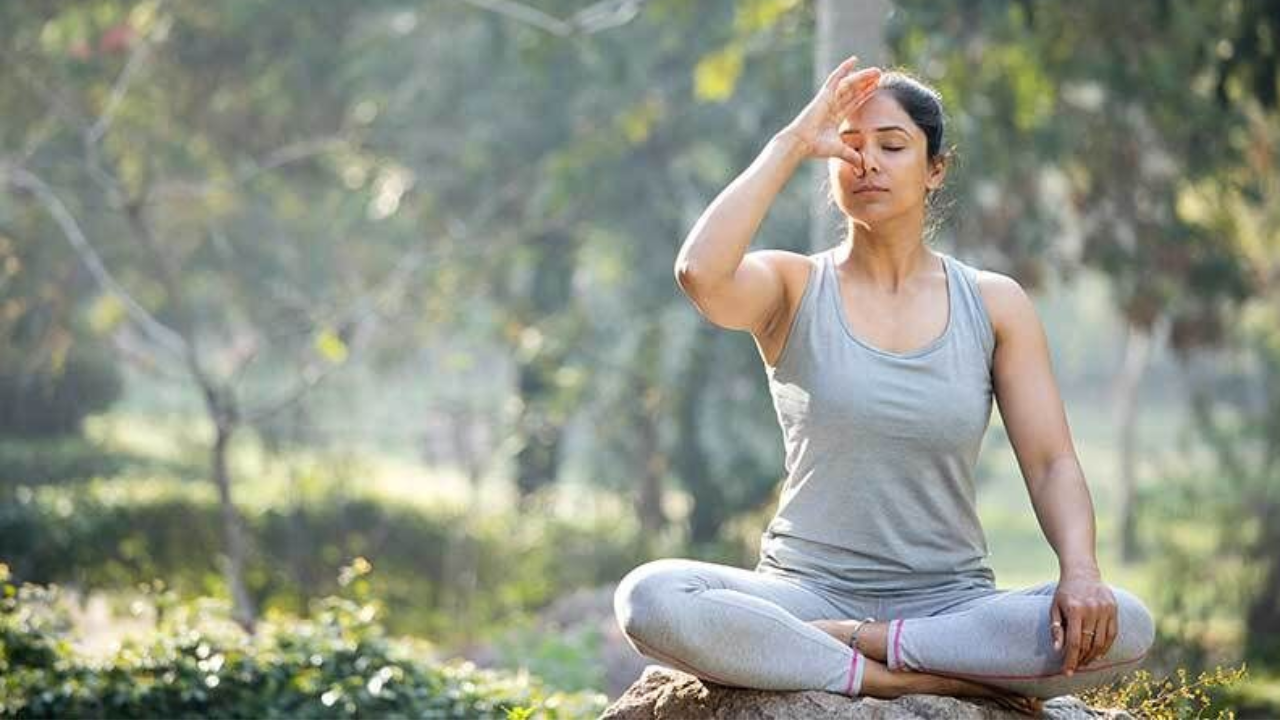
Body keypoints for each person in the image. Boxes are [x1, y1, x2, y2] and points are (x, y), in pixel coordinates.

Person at [612, 54, 1156, 716]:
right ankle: (899, 677)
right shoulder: (792, 286)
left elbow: (1050, 464)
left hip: (951, 602)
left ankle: (868, 646)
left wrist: (1081, 573)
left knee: (1125, 622)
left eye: (892, 146)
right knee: (650, 597)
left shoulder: (994, 303)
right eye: (848, 147)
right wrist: (792, 141)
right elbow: (700, 273)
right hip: (803, 594)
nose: (866, 162)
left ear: (935, 170)